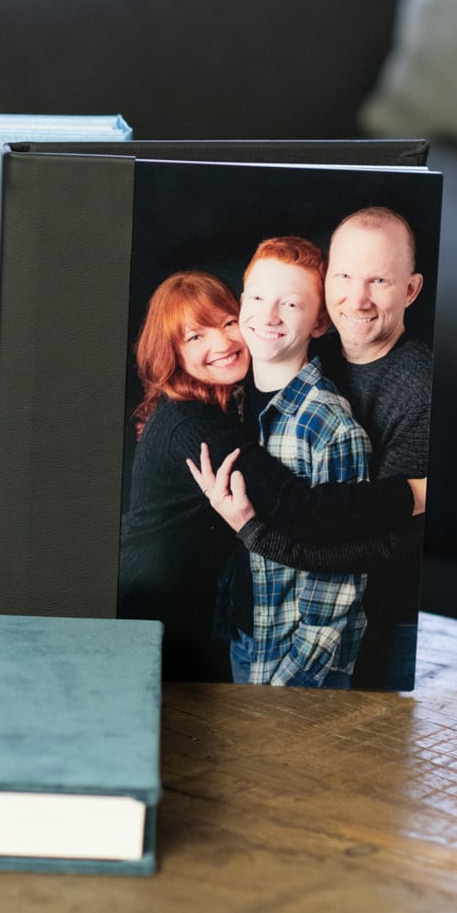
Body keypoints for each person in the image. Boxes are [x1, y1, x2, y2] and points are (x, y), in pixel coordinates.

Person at [191, 208, 431, 689]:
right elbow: (303, 502)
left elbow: (380, 548)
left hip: (383, 627)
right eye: (343, 276)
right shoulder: (311, 355)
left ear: (410, 290)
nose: (357, 299)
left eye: (379, 280)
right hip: (273, 623)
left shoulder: (422, 390)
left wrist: (253, 529)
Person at [220, 236, 371, 687]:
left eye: (290, 304)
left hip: (294, 664)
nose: (268, 316)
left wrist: (286, 683)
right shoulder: (234, 399)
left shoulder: (331, 426)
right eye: (259, 298)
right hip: (246, 638)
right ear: (242, 302)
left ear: (320, 321)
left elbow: (338, 583)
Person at [118, 272, 252, 682]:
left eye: (229, 323)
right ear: (172, 352)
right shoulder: (193, 425)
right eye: (196, 336)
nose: (223, 343)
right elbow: (286, 499)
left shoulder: (214, 404)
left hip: (179, 603)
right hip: (150, 608)